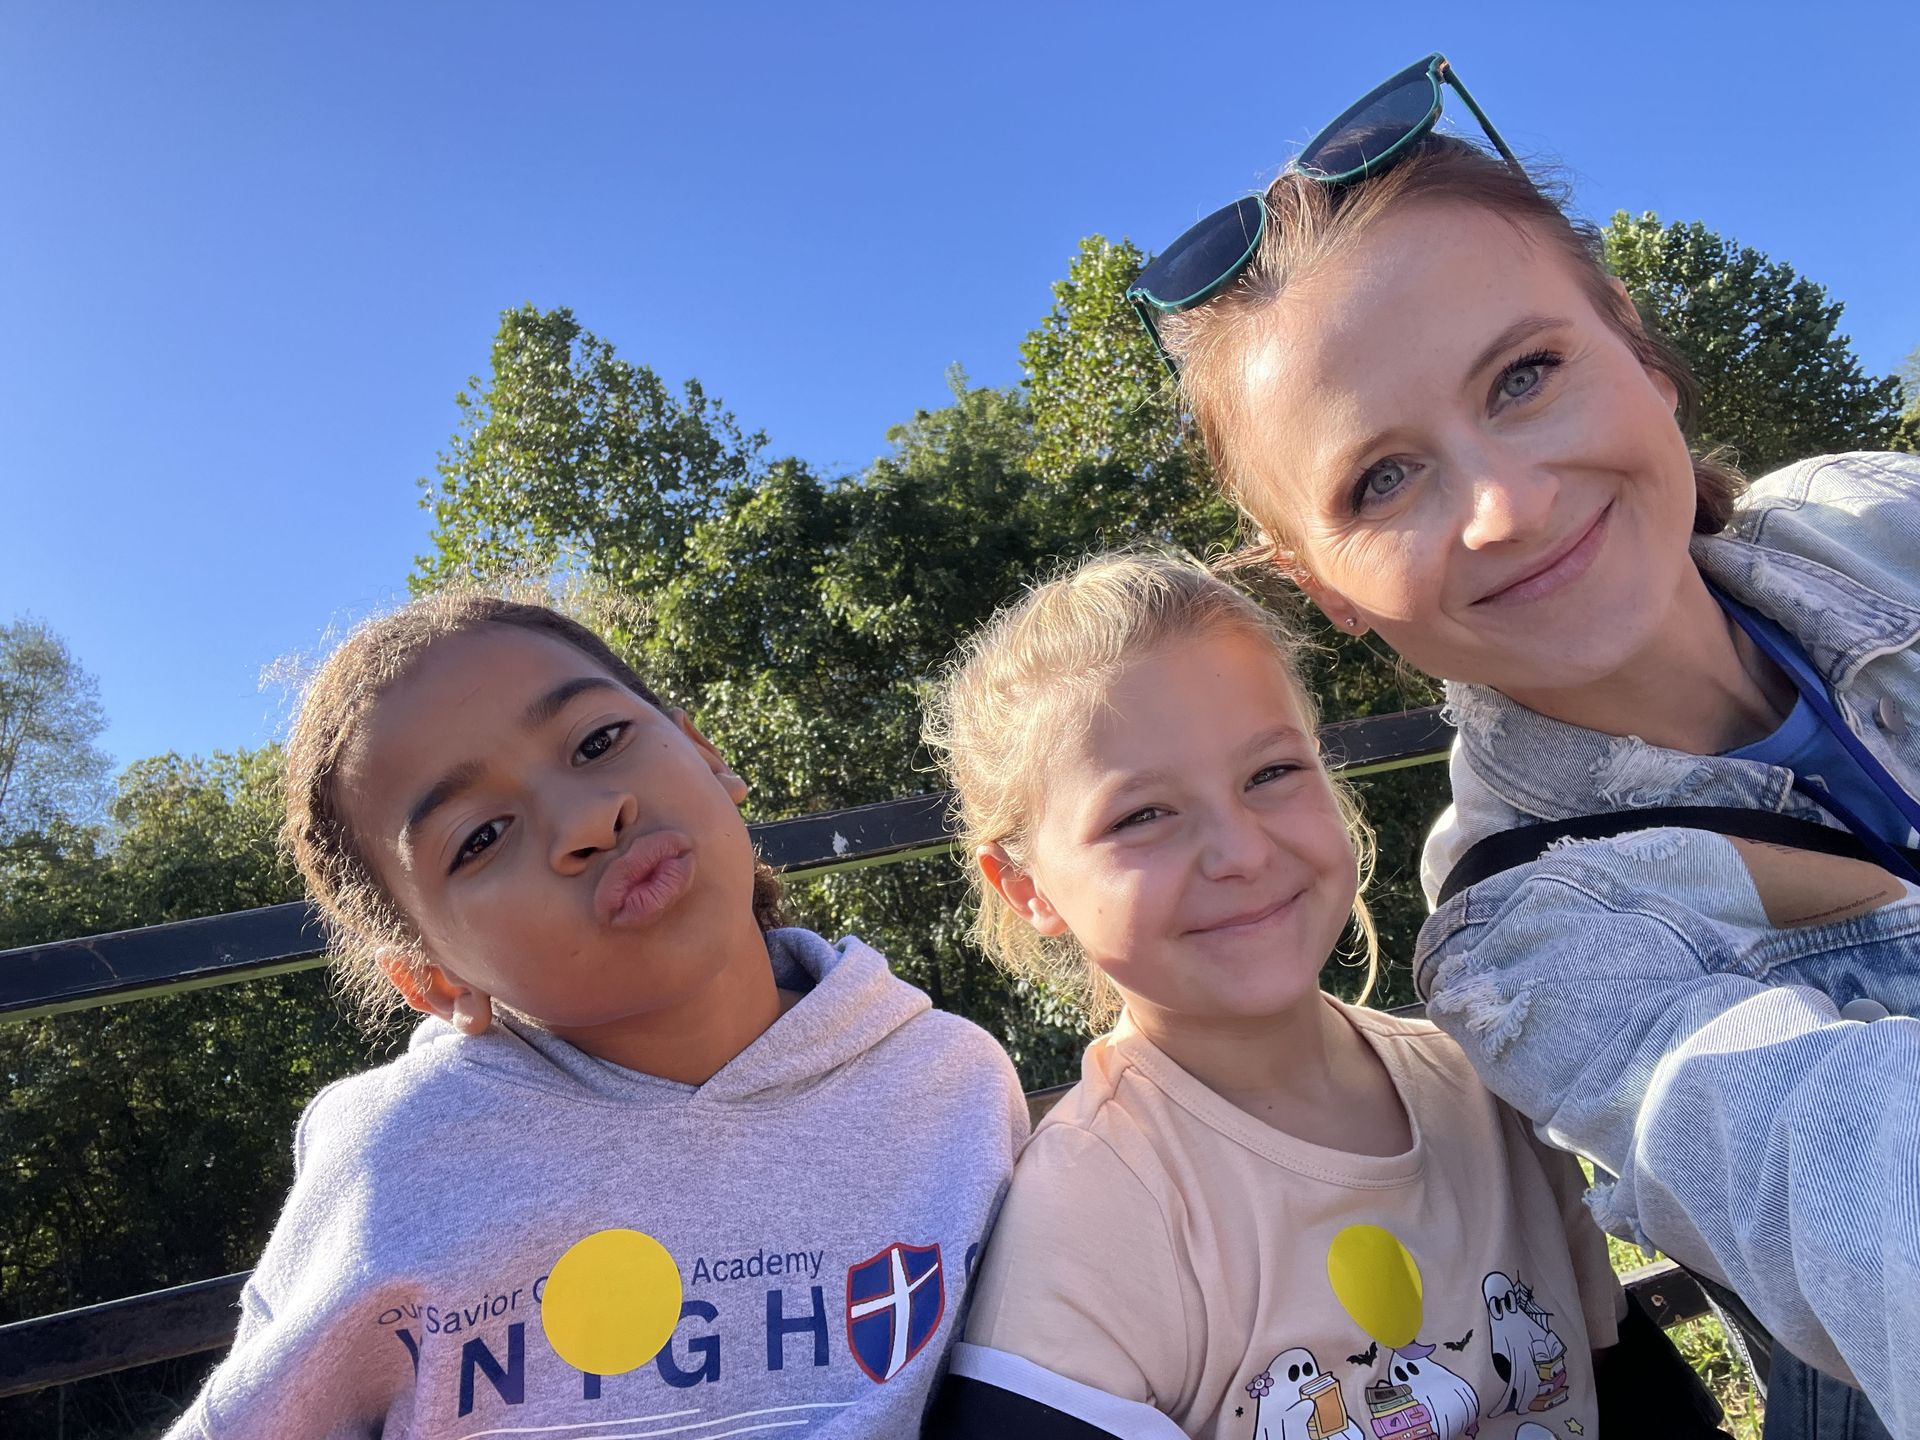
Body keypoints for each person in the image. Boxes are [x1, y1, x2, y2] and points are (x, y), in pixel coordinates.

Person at [1130, 51, 1920, 1438]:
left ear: (1634, 344)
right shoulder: (1528, 945)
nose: (1502, 505)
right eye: (1384, 480)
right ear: (1319, 587)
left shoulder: (1877, 519)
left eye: (1525, 376)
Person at [163, 593, 1028, 1440]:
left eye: (600, 741)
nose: (588, 819)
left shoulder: (952, 1084)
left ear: (706, 752)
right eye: (480, 837)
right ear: (430, 978)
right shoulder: (391, 1162)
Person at [919, 551, 1664, 1440]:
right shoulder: (1096, 1212)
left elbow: (1627, 1389)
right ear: (1027, 888)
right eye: (1141, 816)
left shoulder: (1483, 1077)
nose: (1239, 850)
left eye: (1271, 773)